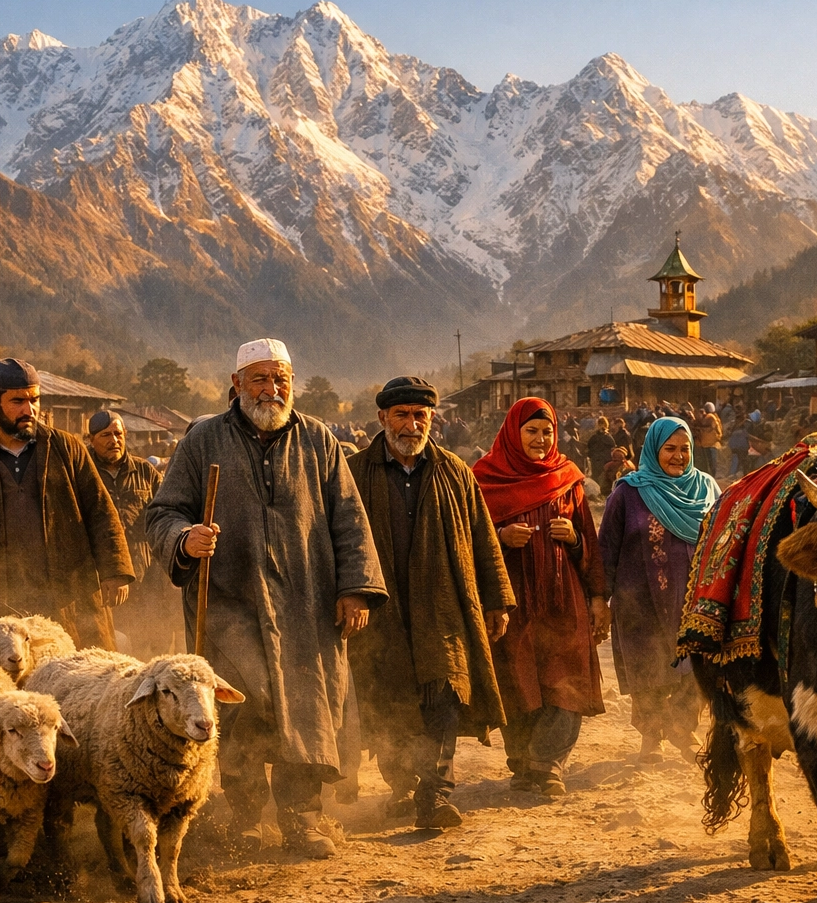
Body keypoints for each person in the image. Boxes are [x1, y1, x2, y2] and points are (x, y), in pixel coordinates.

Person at [144, 339, 385, 859]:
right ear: (236, 385)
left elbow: (349, 518)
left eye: (282, 380)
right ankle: (247, 819)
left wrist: (355, 589)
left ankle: (303, 819)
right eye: (260, 379)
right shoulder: (203, 440)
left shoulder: (318, 439)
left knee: (306, 709)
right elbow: (161, 514)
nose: (272, 390)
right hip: (230, 605)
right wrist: (185, 538)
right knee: (241, 715)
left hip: (306, 606)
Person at [346, 377, 514, 830]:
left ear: (432, 419)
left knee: (443, 694)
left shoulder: (456, 471)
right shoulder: (354, 471)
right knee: (391, 700)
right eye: (402, 414)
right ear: (382, 418)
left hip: (442, 609)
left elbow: (482, 538)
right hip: (381, 613)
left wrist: (497, 598)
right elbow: (336, 540)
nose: (412, 424)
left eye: (421, 415)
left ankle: (435, 793)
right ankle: (403, 784)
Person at [0, 358, 134, 650]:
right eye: (18, 401)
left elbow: (101, 513)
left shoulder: (67, 449)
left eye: (34, 400)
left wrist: (115, 569)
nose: (29, 410)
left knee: (76, 677)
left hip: (66, 597)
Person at [473, 398, 608, 799]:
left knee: (566, 678)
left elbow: (591, 544)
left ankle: (548, 763)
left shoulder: (568, 478)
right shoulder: (485, 479)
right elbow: (468, 538)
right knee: (518, 678)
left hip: (564, 599)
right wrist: (500, 538)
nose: (540, 438)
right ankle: (523, 762)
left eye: (547, 431)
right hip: (511, 601)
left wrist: (576, 539)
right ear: (513, 433)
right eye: (531, 431)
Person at [598, 417, 717, 764]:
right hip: (640, 601)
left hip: (694, 600)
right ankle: (652, 736)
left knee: (694, 668)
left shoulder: (707, 489)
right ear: (653, 449)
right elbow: (606, 549)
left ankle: (684, 731)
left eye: (685, 449)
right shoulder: (628, 493)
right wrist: (599, 599)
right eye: (670, 449)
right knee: (648, 669)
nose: (678, 456)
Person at [86, 410, 177, 660]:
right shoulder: (84, 472)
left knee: (151, 642)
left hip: (147, 575)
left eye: (118, 434)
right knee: (113, 645)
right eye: (105, 435)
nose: (113, 440)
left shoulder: (145, 472)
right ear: (91, 439)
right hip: (104, 577)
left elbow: (166, 513)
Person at [692, 403, 721, 477]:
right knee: (710, 462)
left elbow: (708, 427)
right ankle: (710, 475)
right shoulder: (714, 417)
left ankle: (711, 476)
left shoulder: (710, 417)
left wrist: (700, 427)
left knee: (710, 462)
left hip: (710, 444)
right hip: (708, 443)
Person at [587, 418, 615, 487]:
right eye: (600, 424)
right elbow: (589, 445)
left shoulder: (607, 436)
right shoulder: (595, 436)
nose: (601, 426)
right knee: (596, 476)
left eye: (602, 424)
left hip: (604, 459)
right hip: (596, 459)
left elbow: (612, 445)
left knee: (604, 476)